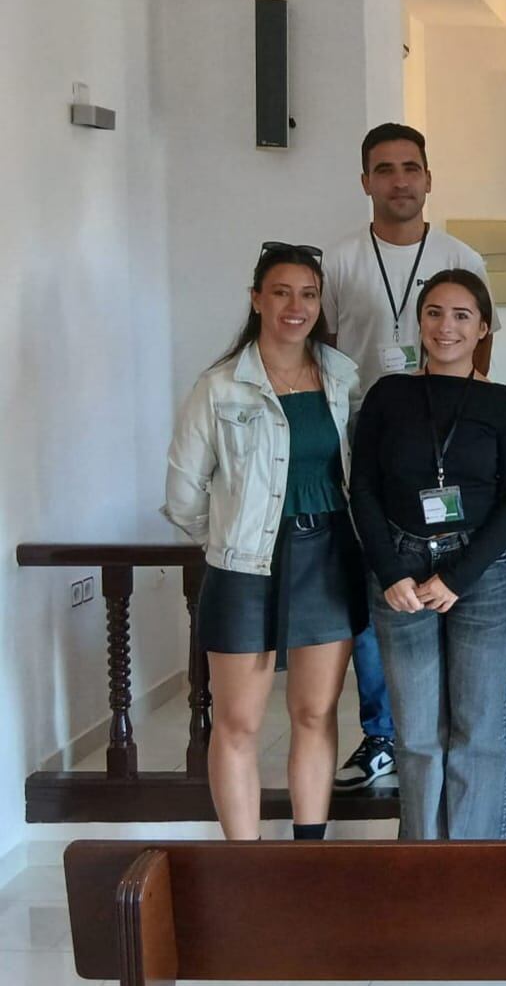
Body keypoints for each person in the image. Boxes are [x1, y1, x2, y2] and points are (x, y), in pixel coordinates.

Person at [163, 242, 364, 840]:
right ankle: (245, 864)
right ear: (256, 299)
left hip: (328, 556)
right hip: (245, 566)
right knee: (239, 723)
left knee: (314, 712)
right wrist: (234, 536)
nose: (295, 306)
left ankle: (306, 853)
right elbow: (183, 494)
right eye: (281, 292)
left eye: (307, 294)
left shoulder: (341, 375)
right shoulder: (219, 386)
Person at [324, 122, 500, 793]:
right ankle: (383, 734)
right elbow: (324, 348)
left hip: (442, 448)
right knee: (384, 585)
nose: (399, 180)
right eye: (385, 169)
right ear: (365, 181)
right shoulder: (340, 262)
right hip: (362, 441)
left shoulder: (461, 256)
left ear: (429, 178)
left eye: (410, 168)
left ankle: (437, 729)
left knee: (447, 589)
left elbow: (483, 349)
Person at [348, 270, 506, 840]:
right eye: (434, 313)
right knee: (417, 735)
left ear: (483, 328)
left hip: (481, 574)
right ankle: (423, 862)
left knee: (478, 731)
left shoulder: (504, 404)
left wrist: (457, 577)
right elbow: (363, 488)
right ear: (419, 322)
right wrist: (390, 573)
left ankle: (476, 866)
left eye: (461, 315)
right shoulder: (388, 395)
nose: (445, 326)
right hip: (401, 573)